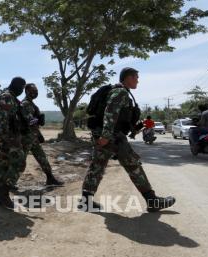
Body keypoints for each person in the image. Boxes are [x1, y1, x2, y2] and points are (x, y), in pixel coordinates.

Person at [80, 67, 175, 212]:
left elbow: (120, 116)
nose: (138, 80)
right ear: (128, 78)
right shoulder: (120, 92)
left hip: (106, 134)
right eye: (136, 77)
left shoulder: (119, 91)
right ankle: (152, 200)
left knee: (97, 165)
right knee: (133, 164)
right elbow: (110, 113)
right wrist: (106, 136)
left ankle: (86, 201)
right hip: (112, 136)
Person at [0, 77, 27, 209]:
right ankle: (3, 194)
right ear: (18, 86)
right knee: (19, 163)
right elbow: (2, 120)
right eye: (23, 88)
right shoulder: (7, 97)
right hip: (8, 137)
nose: (23, 90)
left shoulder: (9, 96)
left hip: (8, 136)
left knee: (3, 165)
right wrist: (6, 139)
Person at [19, 83, 63, 187]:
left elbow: (34, 121)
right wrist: (38, 120)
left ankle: (50, 178)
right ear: (27, 91)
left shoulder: (31, 104)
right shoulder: (25, 104)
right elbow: (30, 120)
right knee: (20, 162)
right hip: (26, 137)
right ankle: (8, 184)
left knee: (42, 157)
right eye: (33, 90)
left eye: (36, 90)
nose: (35, 92)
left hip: (32, 137)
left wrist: (38, 134)